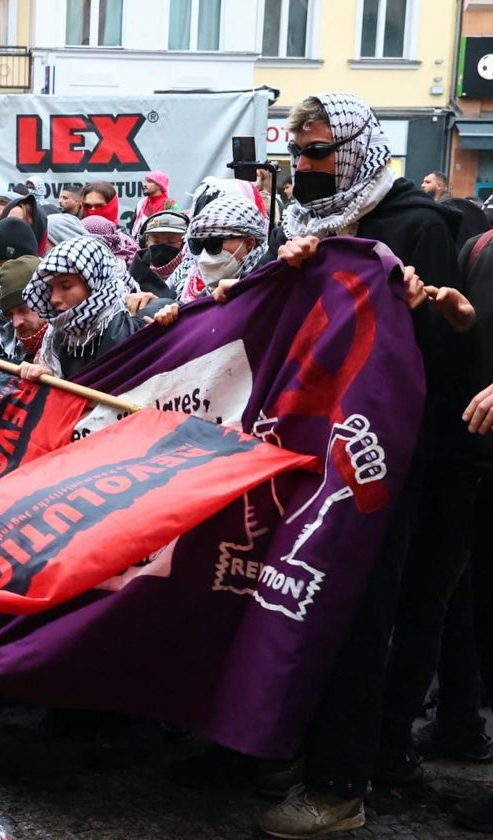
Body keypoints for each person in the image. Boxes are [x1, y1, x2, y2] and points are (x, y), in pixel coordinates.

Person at [255, 92, 473, 839]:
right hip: (312, 452)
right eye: (297, 154)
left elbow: (440, 364)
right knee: (303, 602)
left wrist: (419, 307)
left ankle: (341, 783)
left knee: (359, 615)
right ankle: (306, 748)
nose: (305, 167)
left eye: (317, 152)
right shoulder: (309, 224)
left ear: (352, 149)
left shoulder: (416, 226)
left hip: (382, 462)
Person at [18, 237, 177, 382]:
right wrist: (47, 378)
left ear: (94, 283)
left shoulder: (138, 316)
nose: (54, 299)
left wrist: (172, 319)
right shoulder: (60, 339)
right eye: (51, 289)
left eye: (66, 286)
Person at [177, 194, 269, 303]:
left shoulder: (270, 288)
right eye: (197, 245)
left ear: (249, 243)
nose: (204, 255)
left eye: (214, 243)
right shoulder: (191, 295)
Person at [0, 255, 48, 361]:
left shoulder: (75, 348)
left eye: (23, 310)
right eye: (10, 315)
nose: (16, 323)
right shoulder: (16, 351)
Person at [128, 210, 187, 299]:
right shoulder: (133, 275)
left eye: (171, 242)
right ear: (145, 241)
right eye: (156, 241)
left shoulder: (190, 279)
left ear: (185, 243)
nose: (162, 246)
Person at [131, 170, 178, 237]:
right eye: (145, 181)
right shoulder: (141, 203)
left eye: (149, 182)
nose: (144, 184)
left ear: (159, 186)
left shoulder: (171, 205)